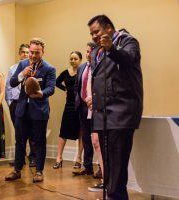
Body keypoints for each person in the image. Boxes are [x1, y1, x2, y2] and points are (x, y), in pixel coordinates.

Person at [87, 15, 143, 199]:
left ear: (109, 28)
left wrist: (112, 48)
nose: (94, 36)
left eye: (97, 31)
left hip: (121, 112)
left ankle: (115, 196)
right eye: (91, 33)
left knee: (117, 167)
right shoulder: (97, 50)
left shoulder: (128, 41)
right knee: (109, 166)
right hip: (103, 114)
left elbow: (128, 58)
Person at [5, 37, 56, 183]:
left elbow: (51, 88)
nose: (33, 55)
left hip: (39, 110)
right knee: (19, 141)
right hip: (22, 109)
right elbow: (13, 82)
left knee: (39, 142)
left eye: (37, 53)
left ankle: (39, 171)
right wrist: (22, 74)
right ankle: (17, 170)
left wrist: (41, 93)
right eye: (31, 52)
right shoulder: (22, 64)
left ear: (43, 52)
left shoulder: (49, 68)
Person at [5, 43, 36, 167]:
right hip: (16, 103)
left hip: (30, 103)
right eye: (23, 52)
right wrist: (10, 103)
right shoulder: (12, 68)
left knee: (33, 132)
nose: (25, 54)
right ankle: (20, 158)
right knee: (19, 133)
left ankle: (33, 157)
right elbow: (8, 85)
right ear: (19, 53)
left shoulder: (34, 68)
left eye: (27, 52)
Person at [53, 51, 83, 169]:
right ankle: (59, 157)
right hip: (69, 104)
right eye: (71, 58)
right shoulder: (66, 72)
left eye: (75, 59)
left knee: (81, 131)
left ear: (80, 60)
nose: (73, 61)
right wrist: (65, 88)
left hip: (80, 104)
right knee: (63, 131)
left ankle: (78, 158)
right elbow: (56, 82)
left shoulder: (82, 71)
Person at [72, 43, 95, 176]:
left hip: (96, 107)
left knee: (97, 139)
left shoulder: (99, 67)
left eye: (90, 51)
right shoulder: (81, 67)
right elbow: (77, 85)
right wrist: (79, 99)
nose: (88, 54)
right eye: (86, 51)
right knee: (86, 137)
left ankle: (102, 169)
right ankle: (88, 167)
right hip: (82, 107)